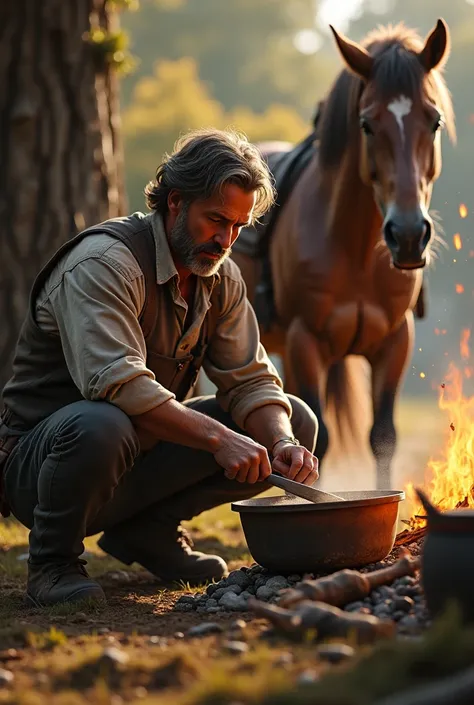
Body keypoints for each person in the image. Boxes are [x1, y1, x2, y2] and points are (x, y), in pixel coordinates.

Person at [0, 128, 318, 608]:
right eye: (215, 220)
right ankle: (53, 563)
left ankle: (147, 533)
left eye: (238, 226)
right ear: (175, 202)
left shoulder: (220, 274)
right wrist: (221, 439)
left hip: (138, 457)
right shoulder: (104, 264)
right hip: (44, 466)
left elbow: (250, 379)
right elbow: (118, 385)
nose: (226, 239)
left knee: (295, 417)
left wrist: (281, 441)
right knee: (101, 423)